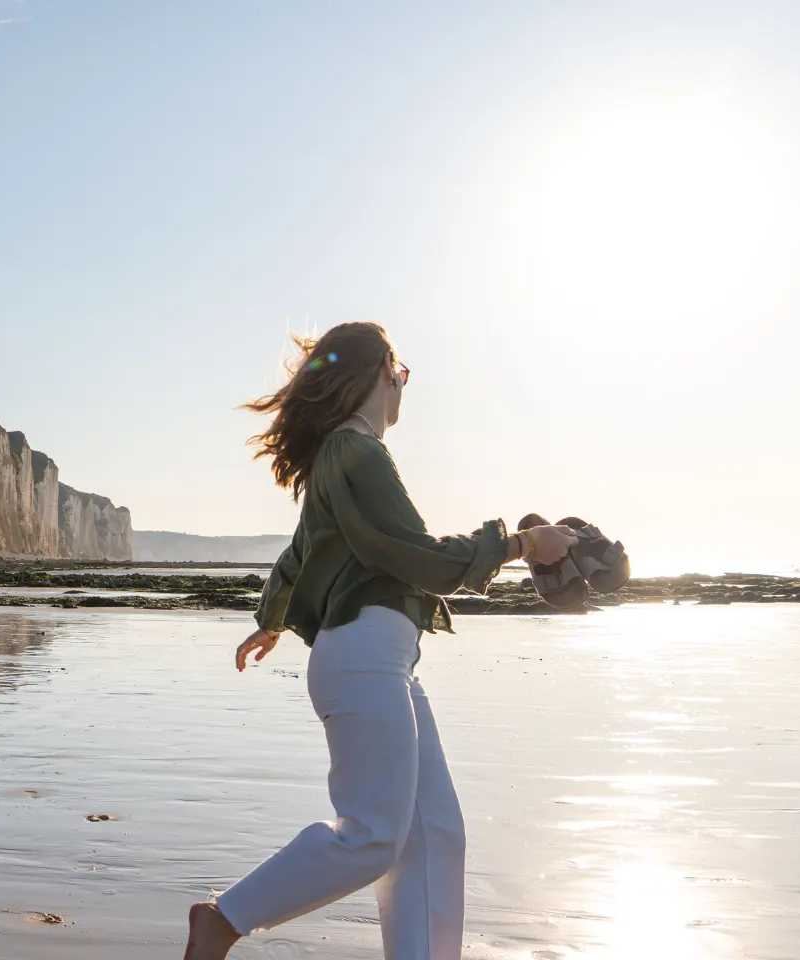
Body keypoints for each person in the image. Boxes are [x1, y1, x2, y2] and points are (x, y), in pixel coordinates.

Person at [183, 322, 579, 960]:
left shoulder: (340, 457)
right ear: (376, 371)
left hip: (381, 661)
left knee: (434, 834)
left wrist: (273, 616)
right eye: (401, 369)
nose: (404, 383)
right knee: (372, 837)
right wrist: (522, 545)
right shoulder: (356, 452)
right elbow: (410, 553)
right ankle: (223, 920)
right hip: (363, 658)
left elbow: (300, 553)